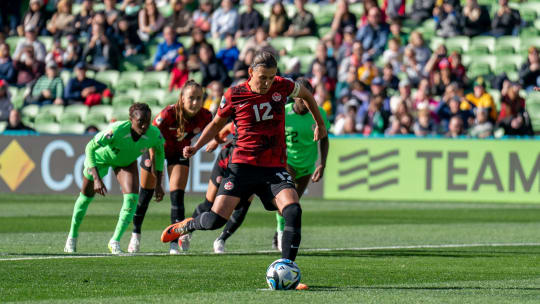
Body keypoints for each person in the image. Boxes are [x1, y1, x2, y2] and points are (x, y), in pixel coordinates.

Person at [160, 52, 327, 288]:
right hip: (242, 166)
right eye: (262, 77)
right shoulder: (235, 94)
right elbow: (217, 123)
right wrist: (196, 146)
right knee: (215, 220)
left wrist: (319, 123)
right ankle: (188, 225)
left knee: (293, 210)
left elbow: (306, 94)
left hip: (273, 166)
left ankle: (287, 270)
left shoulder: (282, 86)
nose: (267, 82)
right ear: (251, 73)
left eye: (271, 77)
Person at [64, 103, 165, 254]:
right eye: (140, 122)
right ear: (131, 119)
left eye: (147, 121)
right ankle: (72, 236)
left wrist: (158, 182)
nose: (144, 126)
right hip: (101, 159)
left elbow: (159, 153)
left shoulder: (154, 134)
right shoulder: (116, 130)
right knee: (85, 198)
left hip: (125, 162)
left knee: (131, 198)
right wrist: (97, 179)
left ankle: (115, 241)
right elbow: (90, 147)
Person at [129, 81, 212, 254]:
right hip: (156, 150)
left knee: (177, 197)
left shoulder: (205, 116)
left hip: (179, 153)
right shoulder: (167, 114)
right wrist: (155, 169)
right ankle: (135, 234)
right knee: (146, 195)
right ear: (182, 98)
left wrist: (214, 142)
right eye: (191, 98)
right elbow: (151, 137)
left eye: (199, 98)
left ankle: (174, 243)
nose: (196, 102)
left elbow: (214, 130)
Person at [272, 78, 330, 251]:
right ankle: (282, 233)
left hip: (307, 166)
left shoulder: (319, 113)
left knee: (294, 201)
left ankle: (280, 231)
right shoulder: (284, 113)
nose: (305, 103)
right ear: (294, 97)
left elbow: (325, 139)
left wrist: (322, 164)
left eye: (308, 98)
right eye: (301, 99)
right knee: (286, 201)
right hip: (287, 162)